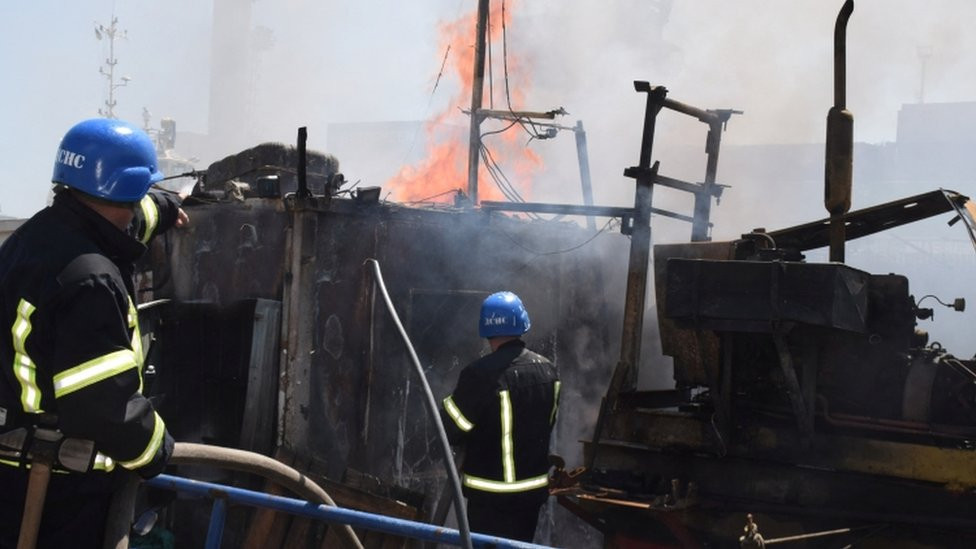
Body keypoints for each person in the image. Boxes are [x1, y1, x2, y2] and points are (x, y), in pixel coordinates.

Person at [0, 118, 187, 548]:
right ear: (131, 188)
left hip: (14, 477)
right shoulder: (91, 280)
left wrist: (163, 205)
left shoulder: (35, 238)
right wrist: (159, 453)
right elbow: (104, 407)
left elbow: (125, 220)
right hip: (58, 497)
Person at [441, 291, 561, 542]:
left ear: (486, 330)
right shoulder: (548, 370)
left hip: (490, 496)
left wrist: (447, 405)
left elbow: (452, 430)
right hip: (532, 492)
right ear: (522, 324)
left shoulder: (480, 374)